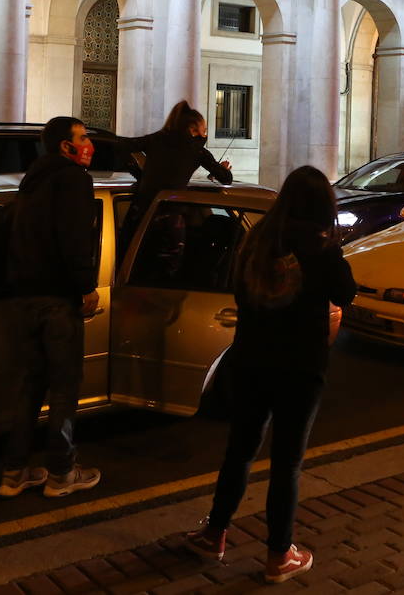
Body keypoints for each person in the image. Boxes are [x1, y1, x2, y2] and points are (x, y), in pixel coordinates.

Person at [184, 166, 358, 584]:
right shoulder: (321, 248)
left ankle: (214, 534)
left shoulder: (258, 239)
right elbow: (346, 293)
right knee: (286, 464)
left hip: (251, 359)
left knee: (240, 451)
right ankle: (279, 554)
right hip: (301, 368)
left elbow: (238, 288)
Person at [0, 116, 102, 499]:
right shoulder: (73, 179)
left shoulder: (32, 181)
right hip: (58, 299)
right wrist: (87, 287)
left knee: (30, 386)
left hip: (24, 297)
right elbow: (74, 239)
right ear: (65, 146)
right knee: (63, 389)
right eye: (83, 137)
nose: (89, 142)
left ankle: (14, 472)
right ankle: (61, 473)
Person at [118, 101, 234, 242]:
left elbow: (123, 145)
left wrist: (139, 175)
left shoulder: (156, 139)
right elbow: (226, 178)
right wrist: (222, 169)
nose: (204, 135)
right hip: (169, 222)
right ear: (193, 130)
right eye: (204, 131)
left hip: (141, 217)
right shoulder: (197, 151)